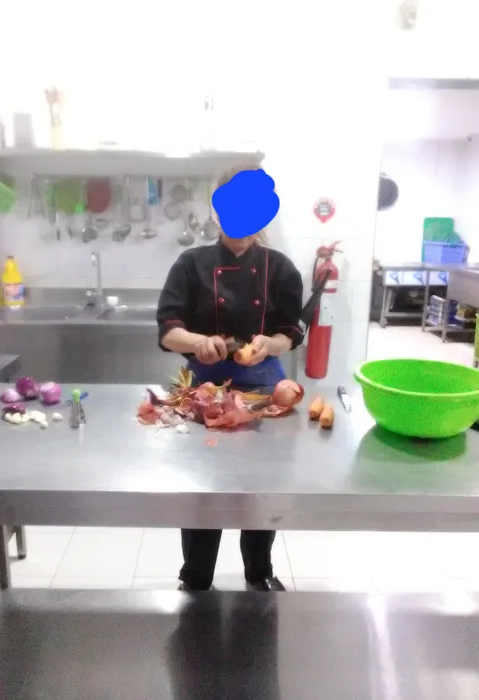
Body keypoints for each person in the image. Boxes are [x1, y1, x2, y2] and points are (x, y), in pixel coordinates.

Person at [157, 166, 304, 592]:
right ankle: (196, 576)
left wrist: (269, 344)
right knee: (202, 489)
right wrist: (198, 341)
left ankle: (259, 573)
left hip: (263, 387)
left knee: (260, 487)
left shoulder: (280, 268)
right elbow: (168, 330)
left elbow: (290, 332)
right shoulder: (191, 264)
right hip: (204, 387)